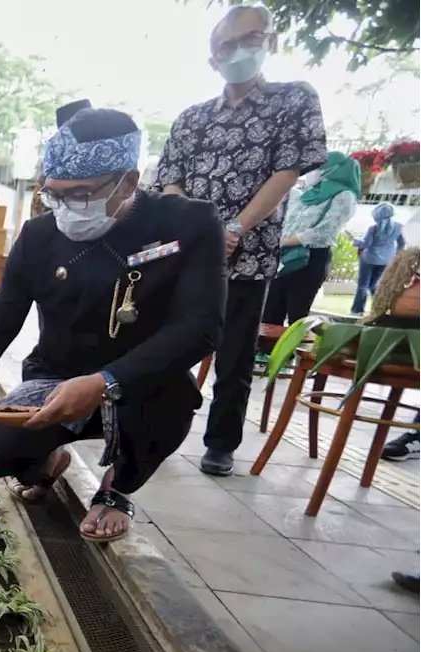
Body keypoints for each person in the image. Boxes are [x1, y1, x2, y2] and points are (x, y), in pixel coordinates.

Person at [0, 108, 226, 543]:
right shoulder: (39, 237)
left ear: (128, 181)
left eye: (81, 194)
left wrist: (105, 381)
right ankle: (47, 462)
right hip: (57, 377)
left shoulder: (188, 223)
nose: (65, 209)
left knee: (173, 403)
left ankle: (116, 487)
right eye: (54, 195)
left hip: (144, 382)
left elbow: (201, 328)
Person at [156, 2, 327, 477]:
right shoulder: (192, 118)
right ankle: (157, 425)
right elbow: (170, 179)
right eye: (226, 46)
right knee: (167, 342)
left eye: (251, 39)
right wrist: (193, 229)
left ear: (269, 41)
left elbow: (287, 171)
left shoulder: (293, 100)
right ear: (213, 58)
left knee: (233, 355)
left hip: (248, 254)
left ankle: (221, 443)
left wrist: (234, 229)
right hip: (187, 255)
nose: (239, 52)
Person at [262, 152, 360, 325]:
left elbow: (323, 232)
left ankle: (292, 351)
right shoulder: (305, 194)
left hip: (310, 258)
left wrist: (285, 242)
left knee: (297, 312)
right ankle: (265, 351)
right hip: (284, 256)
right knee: (270, 309)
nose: (313, 171)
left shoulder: (344, 196)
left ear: (334, 169)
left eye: (319, 167)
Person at [352, 203, 407, 314]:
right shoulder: (400, 227)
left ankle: (357, 310)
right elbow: (402, 244)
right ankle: (379, 308)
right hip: (386, 260)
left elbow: (365, 245)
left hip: (368, 259)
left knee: (363, 285)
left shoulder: (373, 229)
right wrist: (395, 255)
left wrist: (354, 240)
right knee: (375, 285)